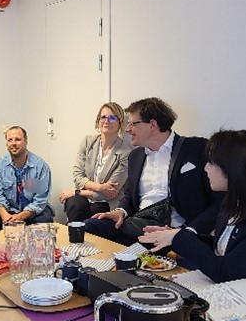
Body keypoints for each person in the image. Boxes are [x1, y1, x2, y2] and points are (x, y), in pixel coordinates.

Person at [139, 129, 246, 308]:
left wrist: (180, 238)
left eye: (211, 163)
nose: (205, 168)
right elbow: (228, 245)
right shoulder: (233, 202)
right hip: (245, 296)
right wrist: (175, 235)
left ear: (232, 169)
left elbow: (226, 271)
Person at [84, 97, 221, 245]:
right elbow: (129, 196)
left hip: (176, 231)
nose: (128, 129)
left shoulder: (196, 148)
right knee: (89, 226)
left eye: (132, 124)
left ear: (152, 125)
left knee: (128, 249)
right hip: (139, 225)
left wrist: (189, 231)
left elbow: (219, 199)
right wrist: (120, 212)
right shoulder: (135, 156)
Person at [58, 102, 133, 222]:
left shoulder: (126, 152)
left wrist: (76, 192)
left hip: (106, 202)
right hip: (84, 199)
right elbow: (77, 176)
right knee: (75, 205)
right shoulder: (87, 142)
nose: (107, 121)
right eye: (103, 117)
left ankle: (79, 232)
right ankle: (75, 233)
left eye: (112, 118)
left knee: (92, 216)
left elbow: (110, 193)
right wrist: (100, 187)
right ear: (98, 121)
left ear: (120, 123)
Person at [0, 125, 54, 227]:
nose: (13, 143)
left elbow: (40, 200)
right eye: (10, 140)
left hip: (33, 212)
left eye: (18, 139)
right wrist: (5, 216)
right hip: (9, 210)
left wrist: (20, 217)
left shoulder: (41, 167)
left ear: (26, 141)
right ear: (6, 144)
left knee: (45, 219)